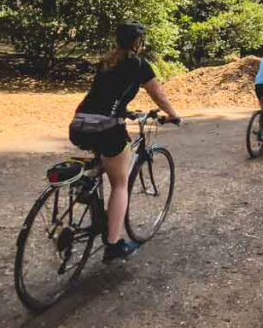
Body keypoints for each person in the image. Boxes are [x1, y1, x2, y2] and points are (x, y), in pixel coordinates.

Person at [71, 22, 181, 263]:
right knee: (120, 183)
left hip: (79, 124)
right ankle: (113, 244)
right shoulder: (139, 65)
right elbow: (158, 95)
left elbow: (105, 94)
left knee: (106, 160)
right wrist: (173, 115)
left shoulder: (106, 62)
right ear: (137, 43)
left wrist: (125, 110)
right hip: (107, 128)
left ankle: (86, 179)